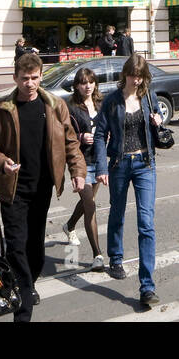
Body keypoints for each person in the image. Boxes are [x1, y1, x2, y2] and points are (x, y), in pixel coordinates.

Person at [0, 51, 86, 323]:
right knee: (16, 248)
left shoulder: (55, 106)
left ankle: (27, 285)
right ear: (15, 78)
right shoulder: (1, 110)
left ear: (41, 76)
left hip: (42, 189)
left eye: (35, 78)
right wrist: (2, 161)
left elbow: (70, 141)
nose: (30, 83)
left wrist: (78, 172)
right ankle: (23, 309)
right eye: (25, 78)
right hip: (13, 190)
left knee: (35, 250)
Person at [94, 52, 163, 309]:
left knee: (146, 221)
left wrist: (158, 122)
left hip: (145, 164)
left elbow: (158, 129)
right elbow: (100, 134)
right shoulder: (112, 101)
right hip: (119, 163)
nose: (136, 81)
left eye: (140, 76)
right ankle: (116, 257)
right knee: (118, 212)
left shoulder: (148, 97)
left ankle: (147, 286)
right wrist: (101, 166)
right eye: (133, 76)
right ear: (125, 75)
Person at [62, 67, 104, 270]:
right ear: (77, 86)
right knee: (90, 205)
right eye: (83, 83)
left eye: (91, 82)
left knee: (89, 202)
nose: (87, 86)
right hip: (81, 162)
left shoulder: (101, 103)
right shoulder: (71, 107)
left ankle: (69, 225)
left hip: (99, 160)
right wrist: (80, 138)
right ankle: (98, 255)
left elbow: (107, 126)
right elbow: (64, 134)